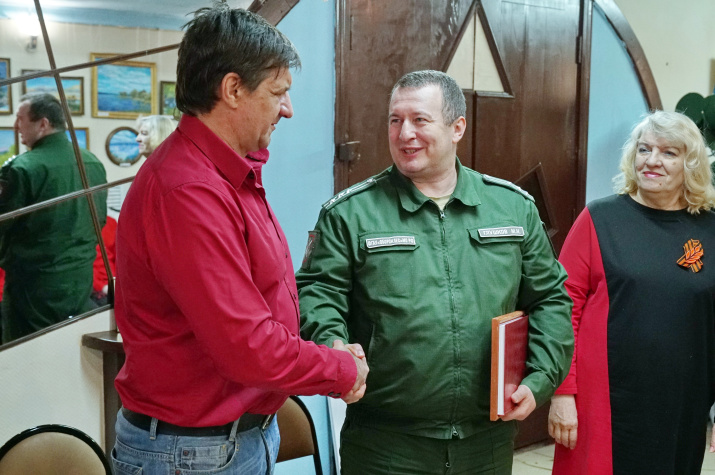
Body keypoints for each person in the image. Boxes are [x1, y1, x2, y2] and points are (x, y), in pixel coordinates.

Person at [111, 4, 368, 475]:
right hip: (193, 453)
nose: (287, 109)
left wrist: (328, 349)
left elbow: (270, 298)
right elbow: (247, 347)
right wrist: (340, 369)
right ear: (232, 90)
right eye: (278, 93)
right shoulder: (188, 191)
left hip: (236, 438)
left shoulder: (231, 174)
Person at [296, 70, 574, 474]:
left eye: (420, 120)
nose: (405, 133)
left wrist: (540, 378)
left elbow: (550, 299)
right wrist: (333, 345)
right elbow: (317, 294)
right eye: (395, 120)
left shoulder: (513, 208)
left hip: (486, 443)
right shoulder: (349, 213)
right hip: (384, 446)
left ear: (457, 127)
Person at [548, 110, 715, 474]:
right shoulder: (599, 219)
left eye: (668, 153)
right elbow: (560, 309)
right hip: (604, 404)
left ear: (690, 164)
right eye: (644, 149)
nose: (652, 161)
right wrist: (562, 392)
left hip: (683, 405)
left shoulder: (710, 228)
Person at [0, 93, 107, 344]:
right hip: (79, 281)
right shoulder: (92, 162)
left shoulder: (22, 168)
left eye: (20, 119)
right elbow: (99, 221)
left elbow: (3, 229)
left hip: (32, 288)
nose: (16, 126)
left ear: (43, 124)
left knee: (26, 356)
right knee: (71, 352)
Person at [92, 115, 177, 305]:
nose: (137, 138)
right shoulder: (151, 171)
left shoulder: (165, 175)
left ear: (160, 135)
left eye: (144, 133)